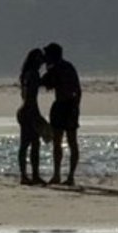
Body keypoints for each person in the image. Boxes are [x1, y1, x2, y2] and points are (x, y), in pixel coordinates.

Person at [41, 42, 82, 187]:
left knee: (64, 142)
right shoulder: (66, 67)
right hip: (67, 105)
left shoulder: (59, 68)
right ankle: (64, 175)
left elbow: (45, 83)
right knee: (65, 142)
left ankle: (63, 175)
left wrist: (75, 107)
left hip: (65, 105)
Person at [16, 48, 51, 185]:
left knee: (26, 144)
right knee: (32, 144)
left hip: (24, 110)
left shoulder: (25, 74)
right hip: (29, 111)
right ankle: (30, 175)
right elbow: (31, 98)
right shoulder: (33, 74)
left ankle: (26, 175)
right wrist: (36, 115)